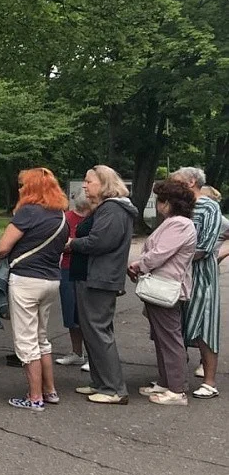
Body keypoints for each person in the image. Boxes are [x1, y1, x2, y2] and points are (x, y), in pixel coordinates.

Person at [0, 168, 70, 411]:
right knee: (41, 338)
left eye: (22, 185)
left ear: (31, 188)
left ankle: (34, 397)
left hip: (26, 280)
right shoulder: (60, 216)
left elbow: (3, 247)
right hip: (51, 280)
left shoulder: (28, 212)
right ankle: (50, 390)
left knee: (26, 341)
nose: (19, 189)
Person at [69, 165, 138, 404]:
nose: (84, 186)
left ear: (104, 183)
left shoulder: (113, 209)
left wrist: (72, 243)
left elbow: (100, 242)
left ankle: (114, 389)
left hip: (99, 277)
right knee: (92, 332)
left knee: (98, 332)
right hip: (92, 276)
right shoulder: (107, 208)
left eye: (89, 181)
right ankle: (100, 382)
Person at [129, 180, 197, 406]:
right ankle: (166, 382)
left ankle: (176, 389)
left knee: (169, 339)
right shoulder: (176, 223)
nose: (158, 204)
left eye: (160, 199)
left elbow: (160, 253)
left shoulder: (179, 224)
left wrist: (139, 264)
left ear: (168, 203)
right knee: (162, 337)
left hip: (167, 286)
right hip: (162, 285)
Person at [171, 167, 222, 398]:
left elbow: (206, 246)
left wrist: (173, 254)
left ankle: (209, 382)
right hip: (179, 273)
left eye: (177, 180)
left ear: (192, 182)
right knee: (176, 324)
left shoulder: (209, 207)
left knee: (206, 325)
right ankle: (174, 378)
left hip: (202, 275)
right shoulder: (179, 205)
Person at [56, 191, 92, 370]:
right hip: (68, 267)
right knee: (71, 312)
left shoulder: (97, 217)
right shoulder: (67, 218)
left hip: (89, 268)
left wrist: (73, 243)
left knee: (88, 315)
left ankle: (93, 357)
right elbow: (60, 243)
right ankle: (77, 352)